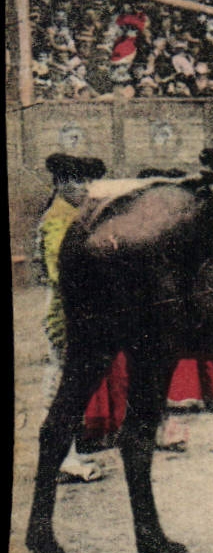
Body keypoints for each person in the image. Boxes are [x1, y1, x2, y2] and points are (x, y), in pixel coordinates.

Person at [37, 153, 108, 481]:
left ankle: (69, 454)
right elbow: (58, 271)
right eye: (76, 181)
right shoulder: (58, 218)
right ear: (60, 184)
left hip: (77, 307)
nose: (84, 187)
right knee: (63, 382)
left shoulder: (73, 214)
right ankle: (62, 459)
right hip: (67, 308)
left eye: (87, 180)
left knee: (67, 381)